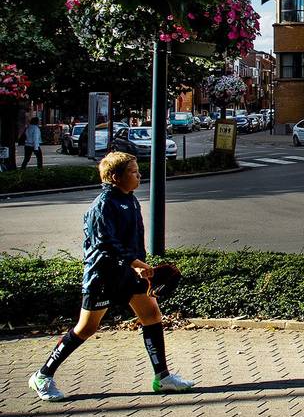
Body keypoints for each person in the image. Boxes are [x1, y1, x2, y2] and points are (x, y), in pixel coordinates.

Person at [28, 152, 194, 402]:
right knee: (86, 328)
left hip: (129, 273)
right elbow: (106, 244)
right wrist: (136, 263)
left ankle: (162, 378)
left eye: (138, 170)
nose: (139, 175)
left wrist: (143, 267)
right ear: (115, 177)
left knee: (151, 316)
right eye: (133, 171)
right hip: (103, 276)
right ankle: (42, 375)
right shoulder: (103, 205)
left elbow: (134, 240)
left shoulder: (131, 200)